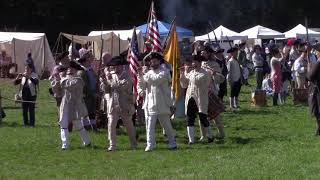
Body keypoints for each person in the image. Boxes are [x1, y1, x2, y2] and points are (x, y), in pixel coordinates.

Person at [137, 52, 177, 152]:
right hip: (151, 103)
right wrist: (140, 75)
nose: (152, 63)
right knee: (149, 125)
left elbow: (156, 81)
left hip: (163, 102)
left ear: (159, 61)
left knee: (166, 125)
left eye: (155, 61)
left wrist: (145, 74)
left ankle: (172, 142)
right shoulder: (149, 73)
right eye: (151, 61)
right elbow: (142, 86)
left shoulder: (165, 71)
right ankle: (150, 144)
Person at [51, 60, 91, 150]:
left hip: (75, 105)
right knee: (63, 124)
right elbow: (57, 92)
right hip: (65, 104)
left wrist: (61, 79)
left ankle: (87, 141)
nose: (69, 70)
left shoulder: (79, 80)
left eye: (72, 69)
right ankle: (65, 145)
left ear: (76, 70)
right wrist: (56, 80)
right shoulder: (64, 79)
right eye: (68, 69)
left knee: (78, 125)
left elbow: (70, 85)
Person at [100, 56, 137, 151]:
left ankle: (133, 143)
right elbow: (107, 90)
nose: (114, 68)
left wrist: (108, 80)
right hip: (113, 103)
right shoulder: (111, 75)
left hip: (125, 104)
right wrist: (104, 82)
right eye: (113, 66)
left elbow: (120, 87)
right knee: (111, 124)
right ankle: (112, 145)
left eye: (116, 66)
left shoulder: (128, 76)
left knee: (128, 124)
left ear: (121, 66)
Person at [180, 54, 211, 144]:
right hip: (190, 98)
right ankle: (191, 140)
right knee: (190, 118)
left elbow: (196, 81)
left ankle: (210, 135)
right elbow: (184, 85)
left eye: (196, 62)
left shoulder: (204, 73)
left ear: (200, 63)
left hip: (200, 98)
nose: (193, 64)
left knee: (203, 118)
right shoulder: (191, 73)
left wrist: (186, 72)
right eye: (193, 62)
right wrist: (182, 74)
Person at [77, 54, 98, 131]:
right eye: (88, 60)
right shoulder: (81, 72)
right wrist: (92, 94)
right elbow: (85, 86)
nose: (90, 62)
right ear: (84, 62)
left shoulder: (90, 70)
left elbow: (95, 80)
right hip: (86, 96)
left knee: (92, 112)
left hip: (92, 94)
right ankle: (86, 127)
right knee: (85, 112)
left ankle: (93, 126)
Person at [307, 57, 320, 135]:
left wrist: (309, 69)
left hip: (317, 89)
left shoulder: (318, 63)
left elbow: (310, 76)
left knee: (317, 110)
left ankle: (318, 129)